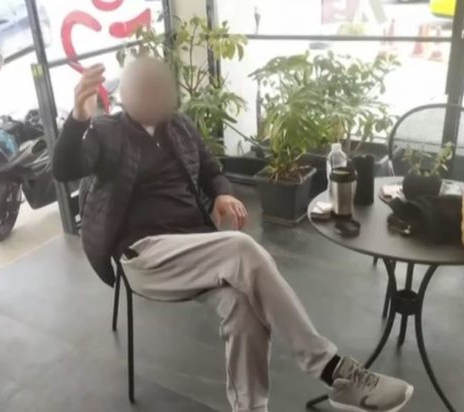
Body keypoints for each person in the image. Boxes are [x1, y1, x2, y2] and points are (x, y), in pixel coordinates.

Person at [53, 57, 413, 412]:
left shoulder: (179, 126)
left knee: (243, 309)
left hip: (196, 248)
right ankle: (332, 370)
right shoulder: (107, 132)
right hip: (145, 256)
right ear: (126, 95)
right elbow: (65, 168)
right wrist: (79, 116)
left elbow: (210, 170)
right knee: (241, 248)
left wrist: (222, 193)